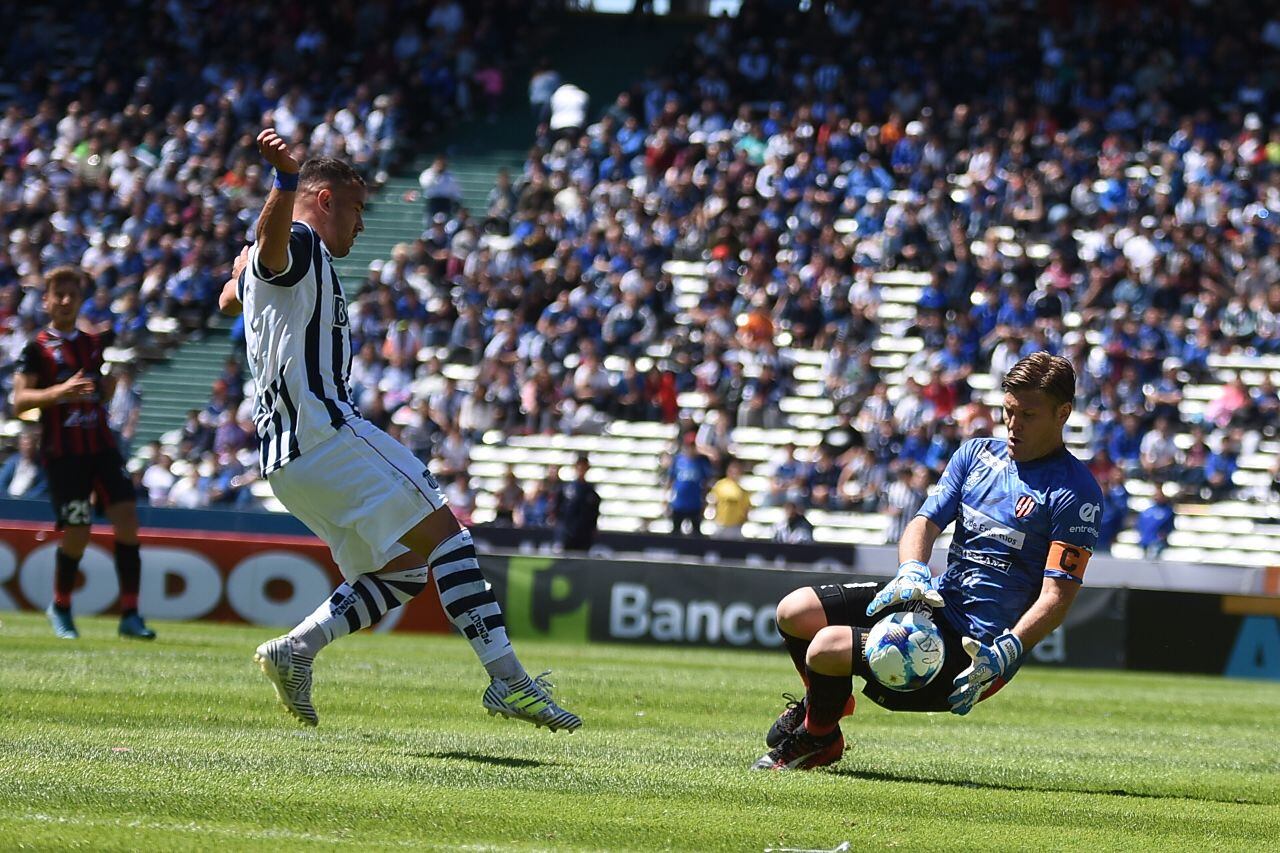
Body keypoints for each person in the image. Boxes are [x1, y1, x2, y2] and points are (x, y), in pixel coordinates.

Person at [218, 129, 580, 732]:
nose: (362, 225)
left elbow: (238, 291)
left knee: (402, 570)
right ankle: (509, 682)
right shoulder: (301, 241)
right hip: (325, 432)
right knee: (449, 538)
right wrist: (282, 182)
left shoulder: (281, 264)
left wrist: (241, 280)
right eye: (357, 209)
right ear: (325, 198)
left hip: (283, 459)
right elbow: (273, 245)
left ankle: (297, 648)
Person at [752, 353, 1102, 771]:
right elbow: (923, 524)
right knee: (795, 611)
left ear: (1063, 413)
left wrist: (1007, 650)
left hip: (975, 648)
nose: (1014, 425)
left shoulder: (1076, 492)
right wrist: (912, 569)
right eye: (1007, 411)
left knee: (826, 648)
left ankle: (818, 738)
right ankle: (823, 705)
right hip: (935, 604)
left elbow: (1057, 598)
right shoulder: (975, 456)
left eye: (1028, 414)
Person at [12, 266, 156, 640]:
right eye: (57, 294)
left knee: (127, 521)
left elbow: (97, 394)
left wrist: (107, 387)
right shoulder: (36, 348)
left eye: (71, 295)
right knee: (77, 531)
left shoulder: (92, 345)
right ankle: (60, 605)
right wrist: (59, 392)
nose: (63, 301)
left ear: (79, 301)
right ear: (45, 301)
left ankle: (130, 614)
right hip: (64, 453)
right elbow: (19, 401)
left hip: (102, 447)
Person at [555, 454, 601, 552]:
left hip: (584, 535)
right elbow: (559, 510)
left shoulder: (590, 492)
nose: (581, 469)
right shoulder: (566, 489)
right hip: (567, 533)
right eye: (579, 466)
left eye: (584, 466)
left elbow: (593, 514)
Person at [668, 436, 713, 536]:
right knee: (675, 532)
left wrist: (704, 500)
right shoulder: (678, 460)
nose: (690, 449)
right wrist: (667, 499)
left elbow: (706, 482)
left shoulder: (701, 462)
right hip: (679, 504)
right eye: (688, 446)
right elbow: (671, 479)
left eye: (692, 446)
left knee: (696, 533)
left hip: (695, 504)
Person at [0, 428, 48, 499]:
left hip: (28, 503)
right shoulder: (13, 460)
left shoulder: (42, 466)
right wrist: (7, 498)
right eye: (24, 445)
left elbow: (41, 488)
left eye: (29, 445)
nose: (27, 448)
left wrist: (23, 500)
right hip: (7, 500)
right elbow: (2, 482)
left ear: (35, 445)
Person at [709, 458, 751, 538]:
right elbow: (713, 502)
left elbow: (746, 508)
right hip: (720, 524)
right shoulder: (720, 485)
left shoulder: (742, 489)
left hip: (735, 526)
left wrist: (743, 521)